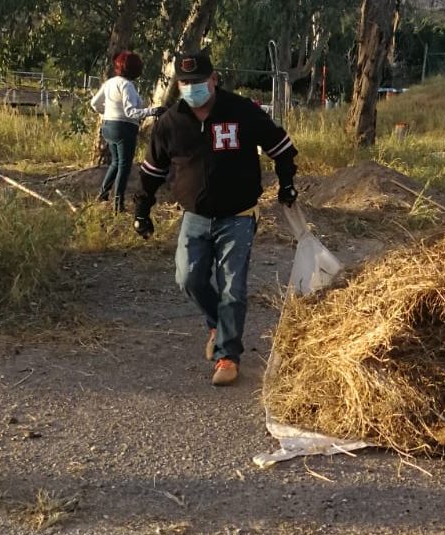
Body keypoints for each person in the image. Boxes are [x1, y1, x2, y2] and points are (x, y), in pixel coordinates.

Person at [132, 51, 299, 386]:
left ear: (214, 79)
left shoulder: (241, 111)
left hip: (237, 216)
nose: (192, 87)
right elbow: (153, 170)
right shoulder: (170, 123)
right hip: (194, 216)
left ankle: (227, 356)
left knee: (233, 288)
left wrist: (287, 184)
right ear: (178, 84)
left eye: (198, 81)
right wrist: (142, 209)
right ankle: (216, 324)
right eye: (185, 82)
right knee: (188, 278)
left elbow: (280, 145)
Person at [90, 51, 164, 212]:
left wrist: (108, 113)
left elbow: (94, 103)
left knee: (116, 162)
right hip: (124, 128)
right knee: (124, 165)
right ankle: (118, 205)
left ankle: (103, 194)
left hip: (108, 127)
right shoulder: (127, 85)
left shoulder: (110, 83)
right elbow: (131, 112)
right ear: (135, 69)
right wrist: (153, 111)